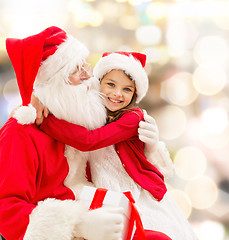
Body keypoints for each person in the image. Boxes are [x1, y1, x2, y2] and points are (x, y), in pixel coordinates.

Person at [0, 26, 171, 240]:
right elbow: (6, 211)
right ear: (55, 81)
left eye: (85, 65)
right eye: (76, 69)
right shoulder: (21, 132)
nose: (88, 76)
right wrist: (78, 226)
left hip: (98, 209)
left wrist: (151, 148)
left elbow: (116, 157)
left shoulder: (75, 120)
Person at [36, 51, 199, 240]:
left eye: (127, 89)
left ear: (135, 94)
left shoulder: (133, 118)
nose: (117, 94)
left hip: (135, 192)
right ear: (98, 83)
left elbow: (90, 140)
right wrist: (43, 100)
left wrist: (46, 121)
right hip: (106, 192)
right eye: (111, 84)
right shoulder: (94, 111)